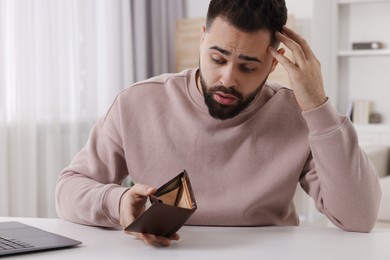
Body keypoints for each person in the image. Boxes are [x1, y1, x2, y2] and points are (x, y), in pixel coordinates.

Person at [55, 0, 381, 247]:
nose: (228, 79)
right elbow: (68, 189)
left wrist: (318, 106)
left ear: (273, 61)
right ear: (202, 39)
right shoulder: (137, 103)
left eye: (248, 67)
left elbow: (359, 216)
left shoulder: (297, 114)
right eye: (217, 58)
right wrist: (119, 201)